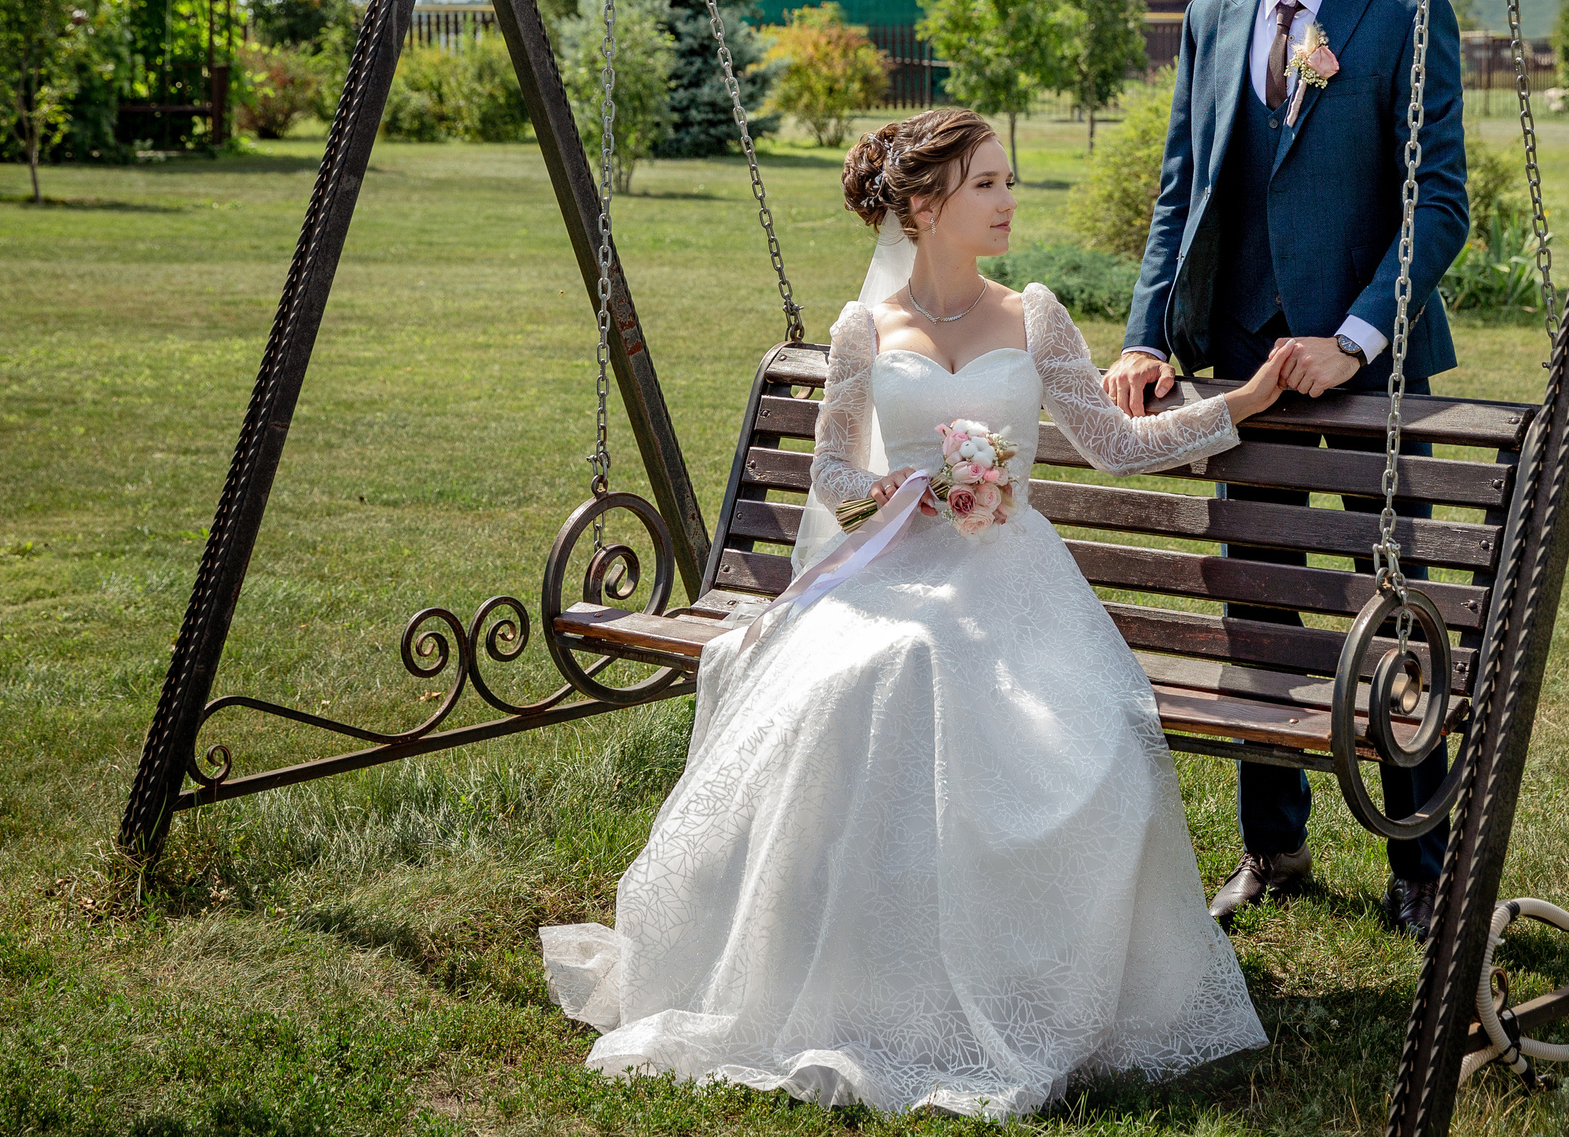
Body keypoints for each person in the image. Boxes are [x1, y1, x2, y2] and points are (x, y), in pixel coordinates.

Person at [541, 107, 1292, 1117]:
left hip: (1012, 578)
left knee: (971, 684)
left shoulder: (1033, 314)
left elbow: (1114, 443)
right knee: (869, 669)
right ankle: (861, 976)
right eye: (986, 183)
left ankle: (1010, 981)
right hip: (900, 559)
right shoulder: (866, 328)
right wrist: (911, 484)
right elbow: (833, 472)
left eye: (1007, 181)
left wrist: (1239, 403)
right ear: (925, 204)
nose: (1007, 201)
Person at [1103, 0, 1470, 939]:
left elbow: (1438, 204)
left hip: (1366, 372)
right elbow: (1181, 194)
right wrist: (1145, 333)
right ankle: (1275, 848)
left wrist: (1353, 336)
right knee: (1255, 601)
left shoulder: (1402, 19)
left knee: (1391, 607)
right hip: (1240, 371)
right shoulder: (1212, 19)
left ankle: (1418, 864)